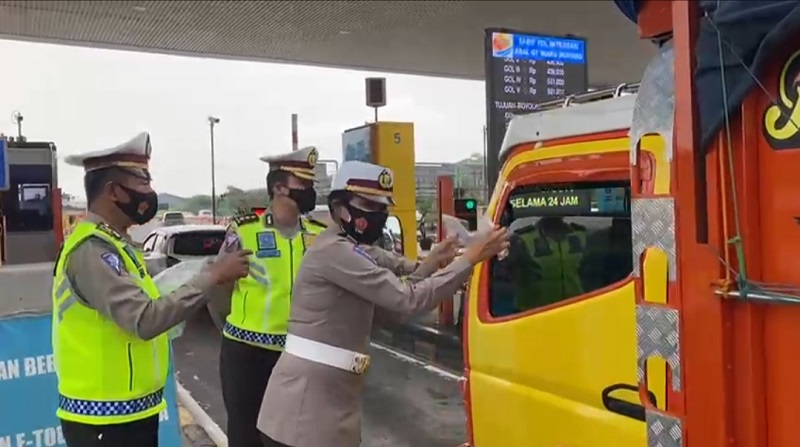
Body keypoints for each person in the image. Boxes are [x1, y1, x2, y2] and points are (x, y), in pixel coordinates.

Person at [256, 160, 509, 447]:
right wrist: (469, 259)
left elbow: (393, 296)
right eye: (368, 205)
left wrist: (433, 262)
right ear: (340, 208)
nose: (378, 214)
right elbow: (407, 299)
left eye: (382, 207)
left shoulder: (349, 249)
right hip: (304, 416)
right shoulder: (334, 253)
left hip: (329, 406)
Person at [52, 132, 251, 447]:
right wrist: (211, 276)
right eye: (143, 182)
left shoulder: (118, 244)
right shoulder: (92, 250)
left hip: (127, 412)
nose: (150, 192)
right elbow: (144, 319)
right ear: (114, 191)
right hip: (104, 419)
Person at [210, 146, 328, 447]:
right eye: (304, 184)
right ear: (278, 187)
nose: (310, 191)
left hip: (298, 354)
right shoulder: (246, 230)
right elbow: (218, 289)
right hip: (247, 354)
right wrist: (233, 327)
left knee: (294, 436)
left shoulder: (318, 235)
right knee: (247, 435)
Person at [510, 216, 587, 311]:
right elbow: (511, 276)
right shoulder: (522, 239)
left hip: (576, 307)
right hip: (532, 313)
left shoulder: (581, 234)